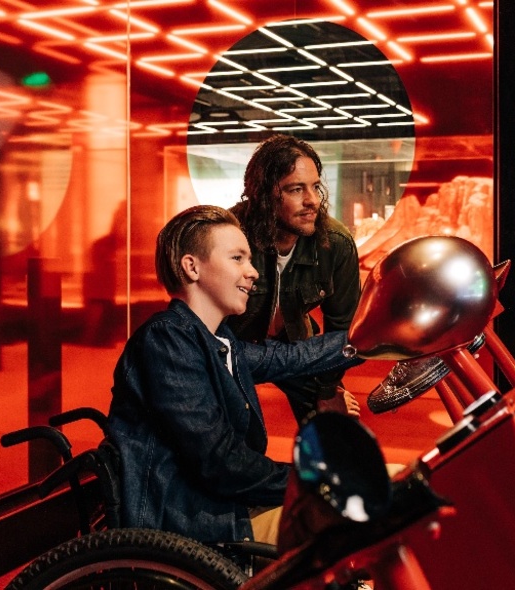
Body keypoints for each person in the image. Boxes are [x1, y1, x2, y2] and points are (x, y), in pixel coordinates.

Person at [105, 205, 361, 545]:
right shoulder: (166, 341)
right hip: (196, 525)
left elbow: (292, 357)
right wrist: (312, 480)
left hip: (225, 509)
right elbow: (219, 462)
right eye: (238, 258)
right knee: (369, 505)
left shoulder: (219, 341)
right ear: (192, 267)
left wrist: (367, 340)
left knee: (386, 486)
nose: (253, 272)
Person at [227, 134, 361, 424]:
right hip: (235, 349)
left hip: (293, 343)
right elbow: (202, 322)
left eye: (314, 186)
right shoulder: (228, 235)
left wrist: (327, 388)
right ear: (263, 195)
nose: (312, 200)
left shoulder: (334, 242)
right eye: (296, 189)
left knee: (336, 423)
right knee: (241, 433)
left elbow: (343, 329)